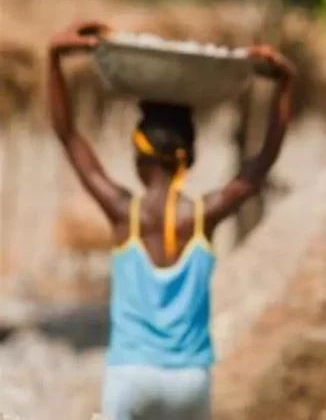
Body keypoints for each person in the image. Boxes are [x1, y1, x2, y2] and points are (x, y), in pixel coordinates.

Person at [48, 21, 296, 420]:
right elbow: (261, 164)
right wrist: (285, 85)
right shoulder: (204, 215)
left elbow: (68, 135)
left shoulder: (122, 212)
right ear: (189, 158)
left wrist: (54, 59)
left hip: (131, 376)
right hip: (189, 381)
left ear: (138, 153)